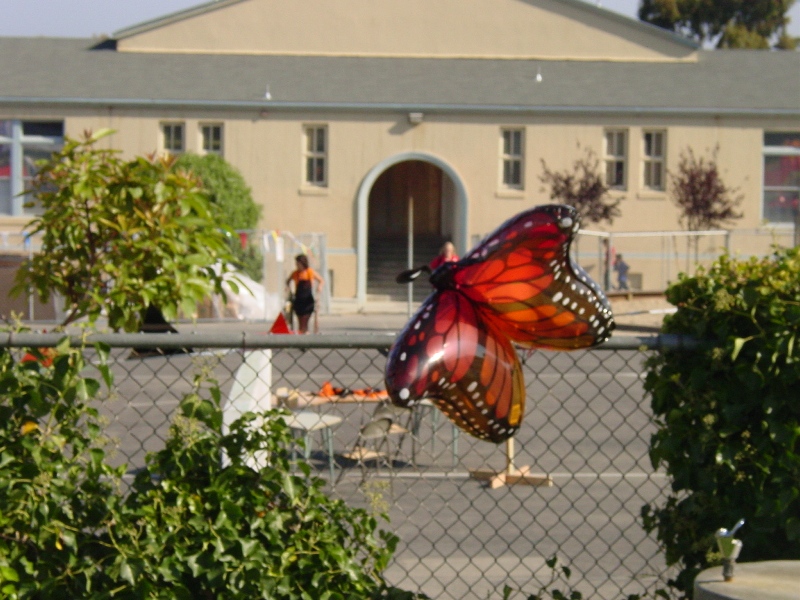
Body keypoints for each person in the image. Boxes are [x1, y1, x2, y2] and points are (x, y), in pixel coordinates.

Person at [286, 254, 324, 333]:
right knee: (301, 324)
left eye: (297, 263)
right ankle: (303, 335)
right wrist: (288, 288)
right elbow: (288, 281)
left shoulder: (309, 272)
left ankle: (304, 334)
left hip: (307, 301)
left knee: (304, 322)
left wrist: (319, 287)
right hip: (298, 301)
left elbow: (321, 280)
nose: (296, 265)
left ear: (302, 263)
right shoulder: (295, 273)